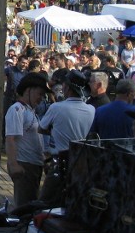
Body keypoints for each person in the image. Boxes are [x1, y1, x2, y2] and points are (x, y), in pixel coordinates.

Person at [38, 70, 95, 206]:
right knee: (74, 202)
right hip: (81, 164)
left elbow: (41, 128)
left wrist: (56, 130)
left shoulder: (57, 107)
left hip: (59, 163)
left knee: (45, 202)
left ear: (67, 88)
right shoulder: (91, 109)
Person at [5, 72, 49, 209]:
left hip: (34, 165)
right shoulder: (17, 109)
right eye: (39, 94)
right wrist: (13, 164)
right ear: (28, 90)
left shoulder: (30, 111)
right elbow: (10, 138)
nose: (41, 98)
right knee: (24, 207)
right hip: (25, 165)